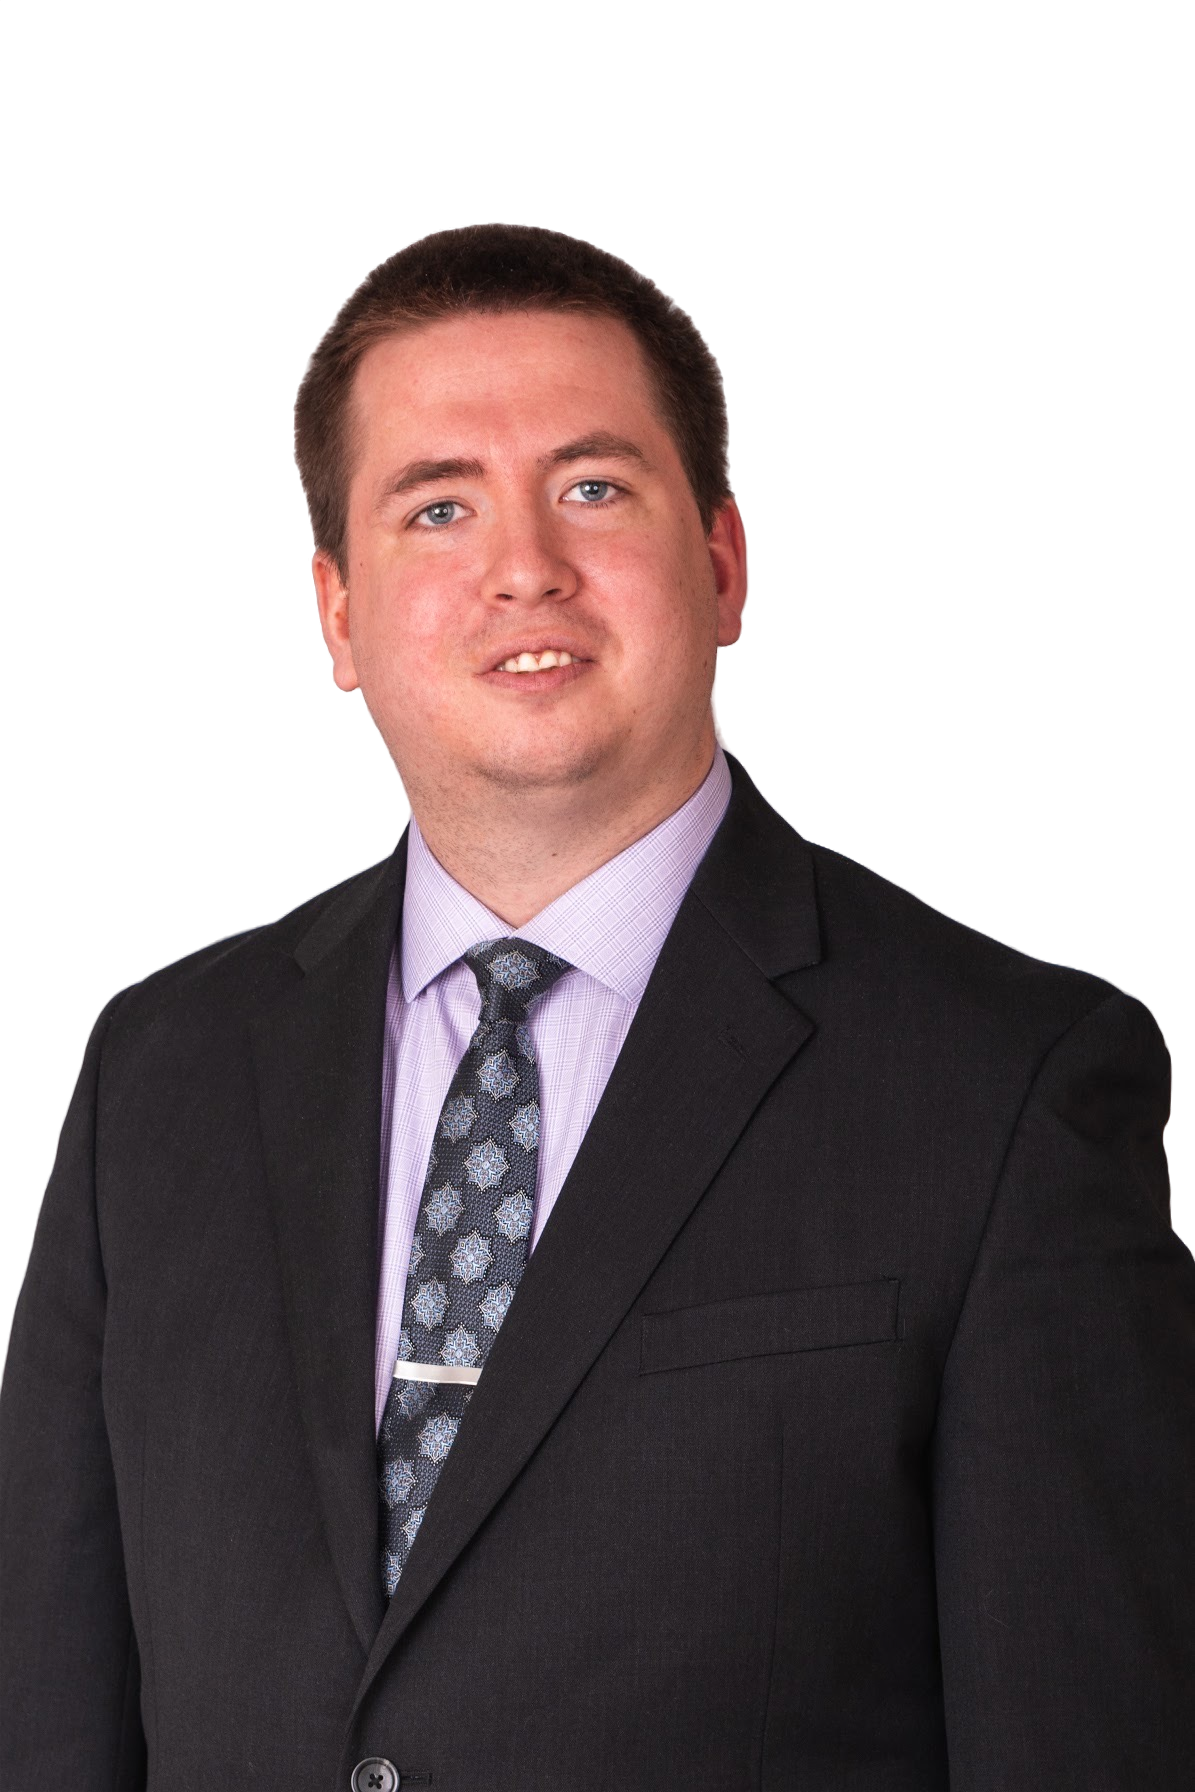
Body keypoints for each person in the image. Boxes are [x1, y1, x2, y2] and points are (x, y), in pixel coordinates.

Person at [2, 223, 1191, 1791]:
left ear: (721, 565)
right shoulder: (155, 1072)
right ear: (338, 615)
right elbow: (53, 1708)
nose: (521, 568)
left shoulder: (1011, 1088)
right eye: (438, 506)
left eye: (591, 487)